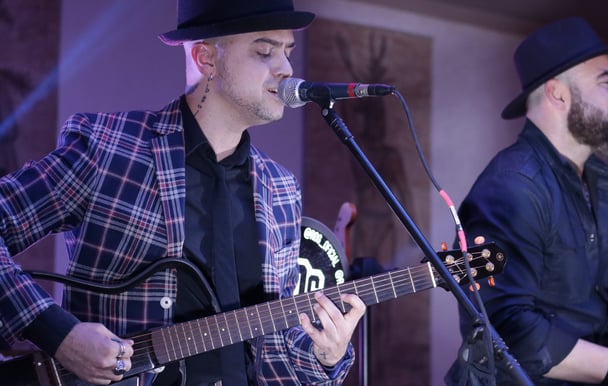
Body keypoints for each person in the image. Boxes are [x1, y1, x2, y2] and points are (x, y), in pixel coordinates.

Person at [0, 0, 366, 385]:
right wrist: (58, 334)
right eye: (264, 51)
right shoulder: (108, 148)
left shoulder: (281, 188)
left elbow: (272, 354)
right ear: (207, 59)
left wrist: (327, 355)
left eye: (288, 52)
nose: (287, 68)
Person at [447, 17, 608, 385]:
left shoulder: (599, 184)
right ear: (558, 94)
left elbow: (594, 306)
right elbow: (508, 331)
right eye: (607, 82)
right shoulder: (512, 186)